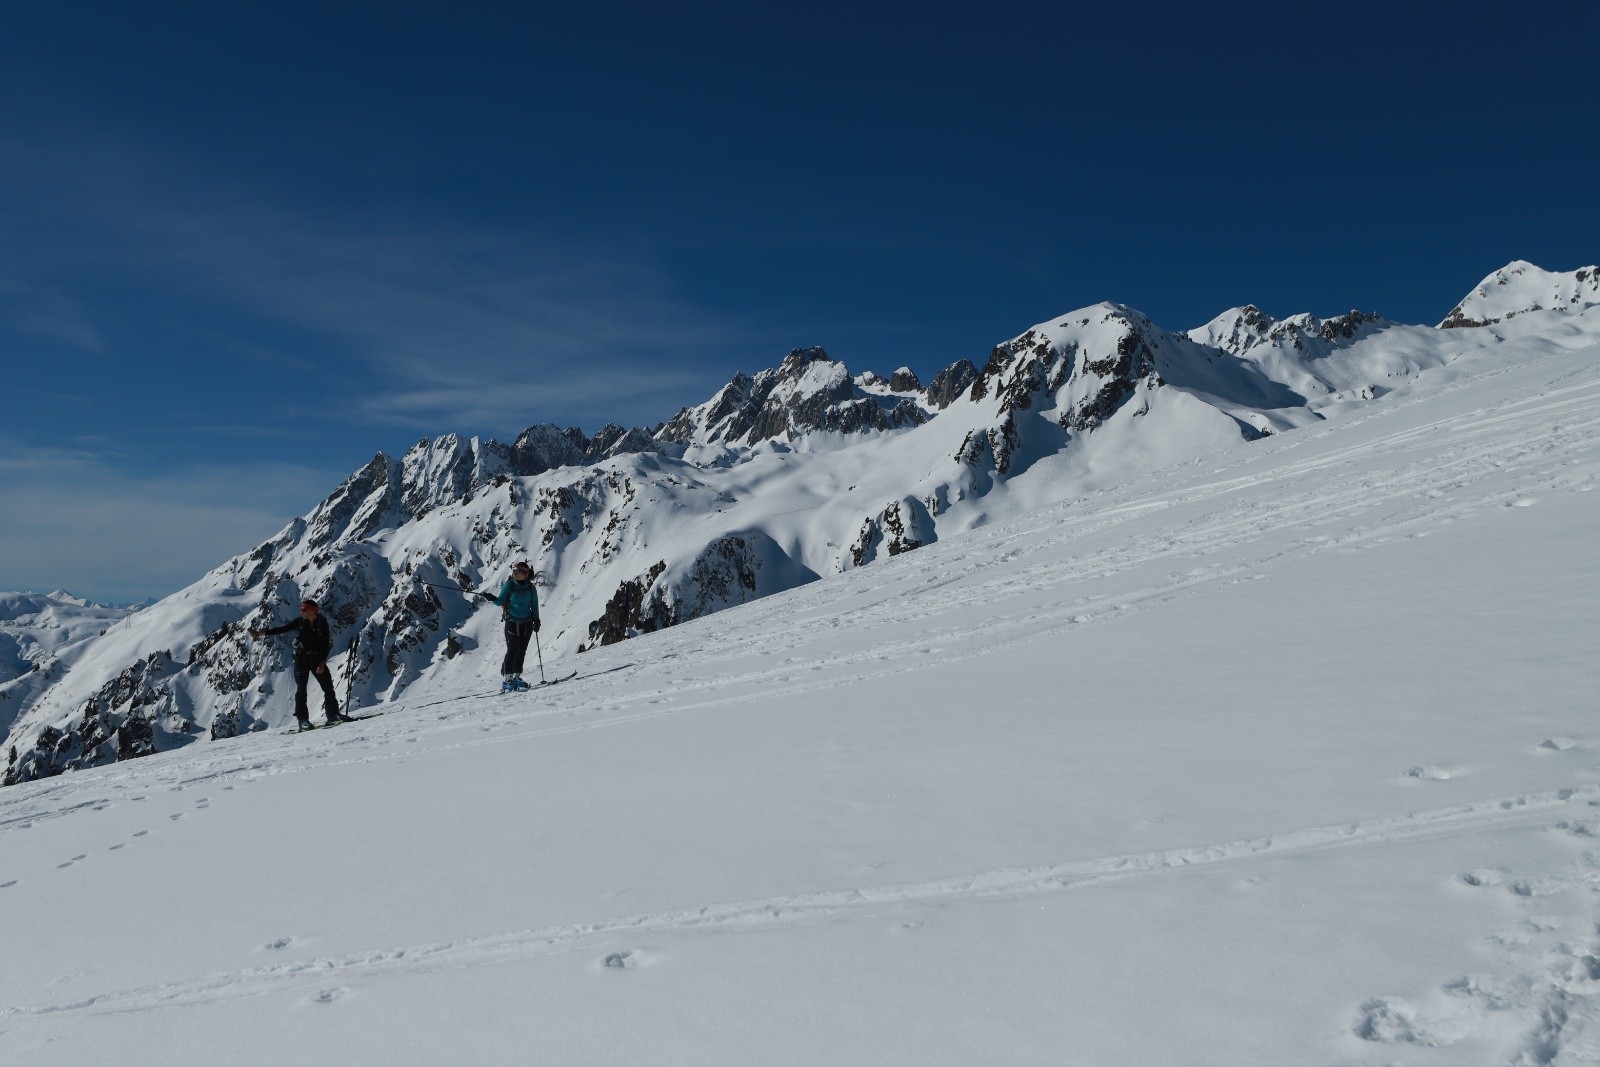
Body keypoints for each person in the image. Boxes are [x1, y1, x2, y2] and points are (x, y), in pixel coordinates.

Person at [249, 599, 350, 730]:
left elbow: (325, 643)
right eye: (301, 609)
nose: (301, 612)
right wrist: (261, 633)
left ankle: (333, 715)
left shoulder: (322, 622)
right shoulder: (300, 622)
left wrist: (322, 662)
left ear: (312, 610)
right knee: (301, 690)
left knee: (328, 687)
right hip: (301, 660)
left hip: (316, 660)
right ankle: (303, 720)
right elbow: (283, 629)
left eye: (304, 609)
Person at [487, 561, 541, 692]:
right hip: (512, 622)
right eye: (514, 571)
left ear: (525, 574)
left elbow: (534, 604)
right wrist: (491, 597)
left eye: (517, 572)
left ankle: (517, 676)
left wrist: (536, 620)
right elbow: (500, 600)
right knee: (512, 649)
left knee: (521, 650)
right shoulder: (509, 586)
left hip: (527, 623)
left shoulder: (530, 588)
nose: (514, 574)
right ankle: (507, 678)